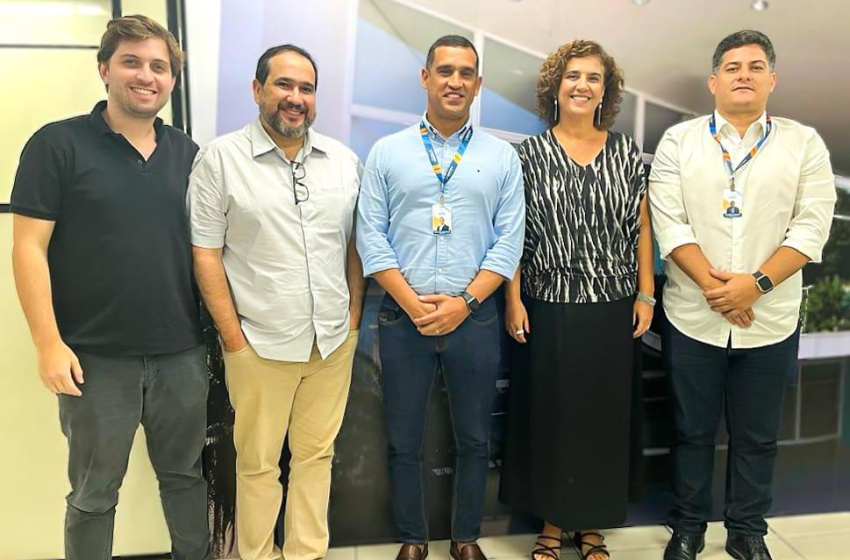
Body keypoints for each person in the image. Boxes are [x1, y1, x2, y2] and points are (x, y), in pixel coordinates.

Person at [10, 15, 211, 560]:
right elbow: (28, 248)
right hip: (94, 361)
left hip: (182, 354)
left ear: (172, 81)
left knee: (186, 479)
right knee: (94, 494)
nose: (146, 76)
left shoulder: (189, 154)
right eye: (131, 62)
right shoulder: (57, 144)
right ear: (104, 69)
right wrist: (48, 344)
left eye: (159, 67)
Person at [649, 30, 836, 560]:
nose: (744, 75)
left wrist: (754, 286)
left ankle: (747, 531)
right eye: (732, 67)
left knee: (757, 436)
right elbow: (669, 223)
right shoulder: (679, 142)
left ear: (772, 80)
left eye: (756, 67)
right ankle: (687, 529)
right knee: (691, 431)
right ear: (714, 81)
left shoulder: (803, 144)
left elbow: (811, 227)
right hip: (693, 314)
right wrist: (719, 290)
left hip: (770, 317)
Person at [187, 45, 365, 560]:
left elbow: (355, 248)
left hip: (331, 343)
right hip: (258, 345)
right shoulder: (220, 160)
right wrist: (234, 340)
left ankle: (307, 554)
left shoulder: (343, 162)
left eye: (306, 88)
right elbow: (205, 254)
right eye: (283, 85)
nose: (295, 98)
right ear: (257, 89)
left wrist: (353, 319)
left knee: (316, 457)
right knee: (258, 466)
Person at [356, 35, 524, 560]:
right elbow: (370, 236)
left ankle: (465, 537)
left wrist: (464, 304)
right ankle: (413, 539)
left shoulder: (502, 157)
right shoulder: (388, 152)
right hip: (402, 316)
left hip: (473, 317)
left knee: (474, 438)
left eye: (466, 73)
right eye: (445, 71)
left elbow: (509, 241)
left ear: (478, 84)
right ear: (425, 77)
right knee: (403, 440)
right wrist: (412, 304)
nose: (455, 81)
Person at [498, 40, 654, 560]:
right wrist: (513, 300)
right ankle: (550, 524)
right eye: (572, 76)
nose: (582, 85)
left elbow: (642, 229)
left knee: (600, 420)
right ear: (555, 87)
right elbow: (513, 234)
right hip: (547, 304)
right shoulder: (528, 155)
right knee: (551, 418)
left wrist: (647, 293)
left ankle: (590, 526)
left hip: (613, 306)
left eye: (593, 77)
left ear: (605, 90)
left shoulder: (626, 152)